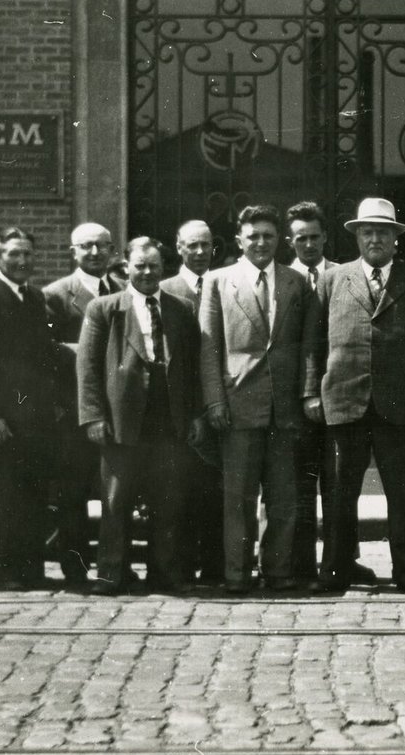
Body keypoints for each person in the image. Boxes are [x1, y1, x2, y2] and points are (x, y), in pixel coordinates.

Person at [309, 197, 405, 593]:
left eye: (382, 232)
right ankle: (334, 572)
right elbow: (313, 343)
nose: (375, 239)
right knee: (338, 494)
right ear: (356, 237)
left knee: (403, 493)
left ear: (395, 239)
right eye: (367, 232)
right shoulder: (334, 279)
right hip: (343, 401)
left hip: (399, 404)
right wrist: (310, 393)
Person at [199, 205, 320, 594]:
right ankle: (237, 573)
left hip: (284, 410)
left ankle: (278, 572)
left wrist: (306, 395)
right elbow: (209, 348)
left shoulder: (294, 283)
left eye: (268, 235)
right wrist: (216, 402)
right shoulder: (218, 282)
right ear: (239, 241)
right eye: (253, 236)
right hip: (238, 408)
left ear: (279, 240)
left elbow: (307, 346)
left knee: (283, 499)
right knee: (238, 499)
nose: (262, 243)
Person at [77, 237, 201, 595]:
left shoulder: (180, 309)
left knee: (168, 497)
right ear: (126, 267)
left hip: (168, 416)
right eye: (140, 266)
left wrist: (193, 416)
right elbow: (87, 369)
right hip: (121, 418)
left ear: (163, 267)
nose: (147, 273)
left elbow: (191, 369)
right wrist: (93, 416)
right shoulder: (105, 309)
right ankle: (111, 574)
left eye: (153, 266)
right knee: (117, 499)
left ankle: (164, 574)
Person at [0, 228, 69, 590]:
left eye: (27, 255)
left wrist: (52, 402)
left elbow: (43, 357)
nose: (22, 261)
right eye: (13, 255)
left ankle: (28, 569)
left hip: (34, 418)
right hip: (1, 419)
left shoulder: (36, 298)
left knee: (31, 494)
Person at [284, 201, 376, 586]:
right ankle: (299, 563)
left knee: (340, 485)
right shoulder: (281, 279)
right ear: (290, 242)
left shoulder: (344, 276)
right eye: (300, 238)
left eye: (315, 237)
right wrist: (307, 392)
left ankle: (340, 561)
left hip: (340, 399)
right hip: (293, 400)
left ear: (326, 238)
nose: (308, 245)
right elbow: (306, 344)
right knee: (299, 484)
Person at [42, 221, 123, 584]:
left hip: (119, 410)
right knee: (73, 492)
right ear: (72, 252)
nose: (94, 253)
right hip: (74, 410)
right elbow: (45, 351)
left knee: (115, 491)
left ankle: (113, 566)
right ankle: (75, 568)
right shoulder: (56, 295)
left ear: (112, 250)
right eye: (86, 246)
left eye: (101, 246)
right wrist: (91, 354)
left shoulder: (125, 290)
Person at [160, 218, 225, 584]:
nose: (200, 252)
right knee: (179, 492)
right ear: (179, 247)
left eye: (206, 245)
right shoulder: (164, 288)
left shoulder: (224, 283)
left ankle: (216, 566)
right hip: (179, 412)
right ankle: (180, 567)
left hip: (219, 407)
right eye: (192, 245)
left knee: (216, 493)